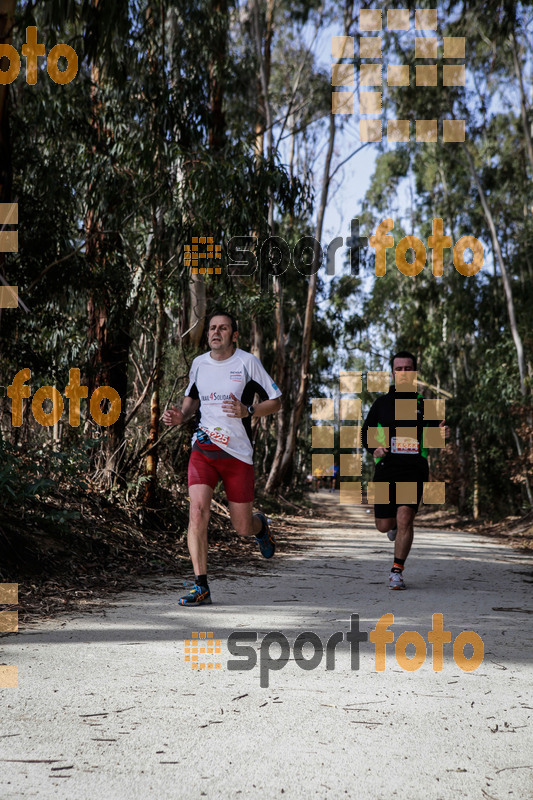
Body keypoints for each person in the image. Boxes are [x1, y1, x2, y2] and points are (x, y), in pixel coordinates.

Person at [162, 311, 282, 606]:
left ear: (234, 335)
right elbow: (191, 400)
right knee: (197, 512)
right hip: (203, 449)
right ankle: (200, 584)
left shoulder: (247, 362)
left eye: (223, 328)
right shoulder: (199, 364)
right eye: (213, 328)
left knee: (242, 527)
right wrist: (181, 416)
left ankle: (260, 527)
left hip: (237, 454)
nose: (217, 332)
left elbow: (276, 402)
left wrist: (249, 411)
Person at [362, 351, 449, 590]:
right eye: (398, 369)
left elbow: (435, 435)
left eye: (408, 368)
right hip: (386, 468)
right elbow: (365, 432)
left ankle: (396, 570)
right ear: (393, 372)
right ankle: (392, 528)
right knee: (383, 524)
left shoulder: (425, 404)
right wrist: (374, 449)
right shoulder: (381, 404)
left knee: (405, 518)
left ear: (415, 373)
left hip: (414, 469)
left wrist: (442, 435)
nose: (403, 373)